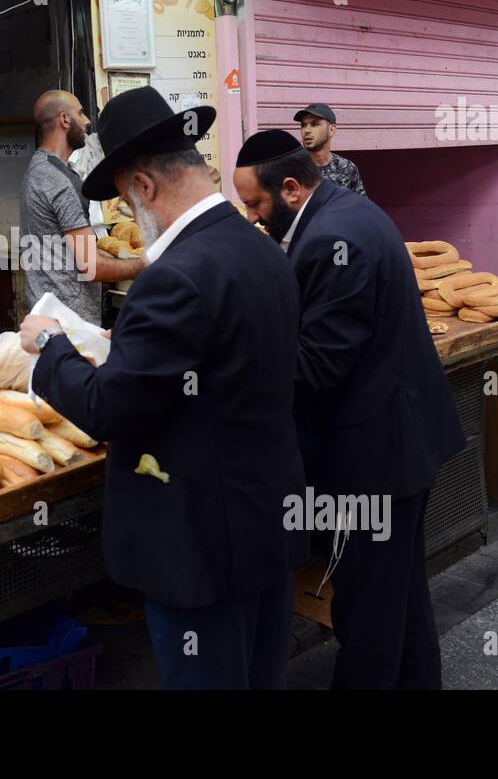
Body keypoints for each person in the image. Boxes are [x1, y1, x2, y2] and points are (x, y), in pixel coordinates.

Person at [20, 87, 307, 689]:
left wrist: (51, 345)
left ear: (144, 187)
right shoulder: (263, 250)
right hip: (266, 523)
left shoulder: (173, 277)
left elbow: (109, 408)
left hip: (200, 545)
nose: (131, 212)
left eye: (127, 199)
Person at [232, 129, 466, 690]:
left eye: (257, 204)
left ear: (290, 188)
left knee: (365, 607)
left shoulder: (331, 241)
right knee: (400, 594)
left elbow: (315, 366)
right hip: (400, 440)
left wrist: (233, 360)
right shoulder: (349, 211)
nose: (255, 218)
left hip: (375, 457)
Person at [19, 90, 145, 323]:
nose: (87, 121)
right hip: (70, 322)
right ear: (64, 120)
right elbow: (92, 266)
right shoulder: (59, 181)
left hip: (47, 314)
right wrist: (146, 264)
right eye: (80, 112)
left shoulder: (37, 170)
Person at [294, 103, 366, 196]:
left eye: (314, 124)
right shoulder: (292, 168)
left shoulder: (346, 168)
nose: (307, 130)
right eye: (303, 125)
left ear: (332, 130)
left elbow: (360, 207)